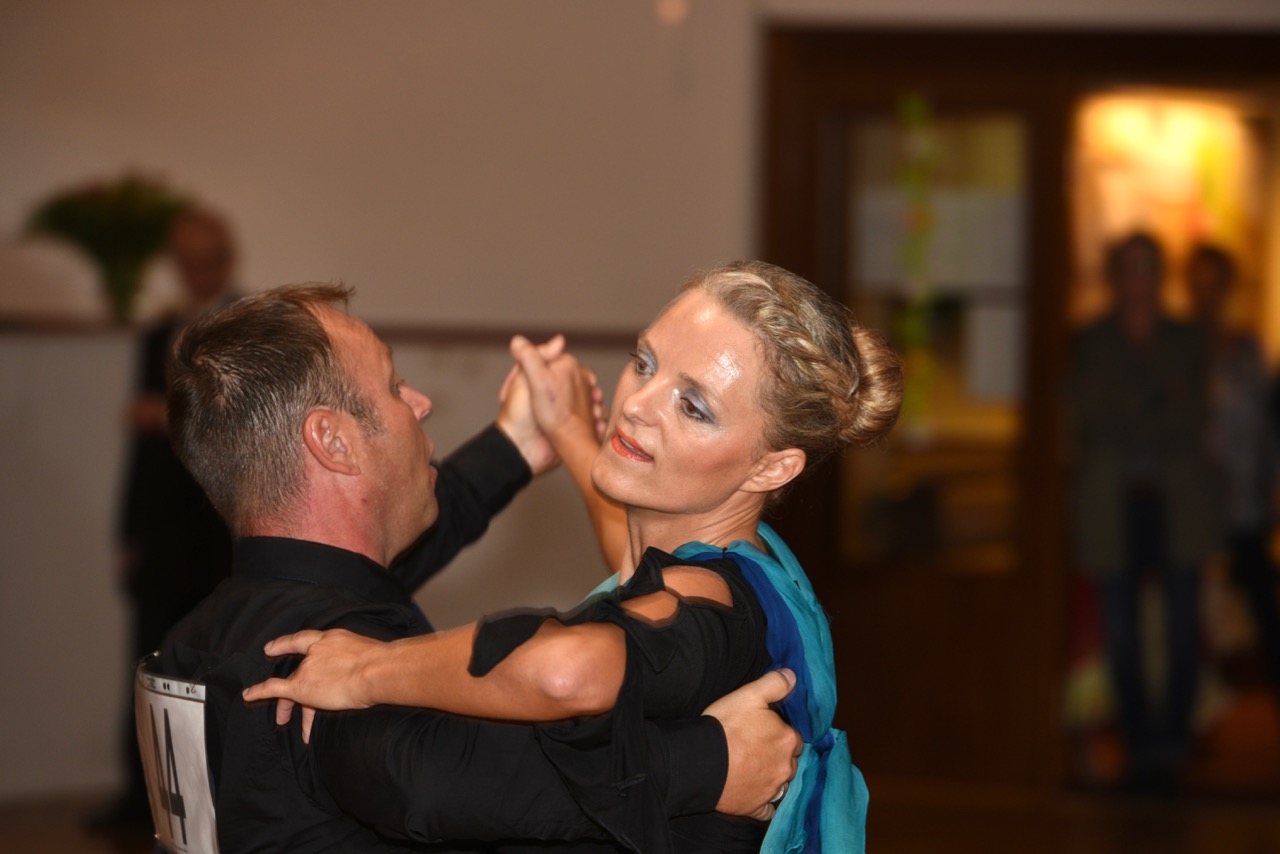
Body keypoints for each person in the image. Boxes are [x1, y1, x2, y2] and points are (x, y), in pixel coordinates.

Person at [246, 261, 904, 852]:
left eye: (693, 407)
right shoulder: (744, 568)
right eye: (644, 363)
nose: (637, 405)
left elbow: (566, 669)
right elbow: (635, 559)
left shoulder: (709, 607)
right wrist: (566, 430)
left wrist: (367, 668)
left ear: (772, 467)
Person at [93, 207, 239, 830]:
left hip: (217, 528)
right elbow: (140, 451)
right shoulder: (158, 333)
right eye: (187, 262)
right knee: (148, 664)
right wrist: (127, 533)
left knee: (215, 668)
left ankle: (218, 805)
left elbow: (244, 423)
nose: (197, 272)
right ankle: (142, 801)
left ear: (226, 260)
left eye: (208, 260)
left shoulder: (247, 326)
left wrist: (169, 413)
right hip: (160, 529)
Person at [1066, 232, 1222, 792]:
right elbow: (1089, 412)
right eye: (1130, 268)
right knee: (1122, 635)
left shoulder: (1185, 338)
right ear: (1116, 277)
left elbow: (1190, 413)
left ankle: (1171, 745)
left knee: (1182, 632)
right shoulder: (1092, 340)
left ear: (1161, 277)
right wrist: (1150, 405)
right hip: (1113, 506)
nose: (1140, 280)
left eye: (1149, 268)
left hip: (1178, 504)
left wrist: (1135, 409)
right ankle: (1139, 747)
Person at [1187, 243, 1280, 694]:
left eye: (1216, 284)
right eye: (1199, 284)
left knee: (1264, 604)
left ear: (1228, 289)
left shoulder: (1249, 351)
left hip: (1245, 502)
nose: (1208, 294)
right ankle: (1190, 709)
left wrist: (1273, 487)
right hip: (1190, 503)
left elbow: (1268, 427)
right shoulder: (1177, 350)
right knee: (1185, 614)